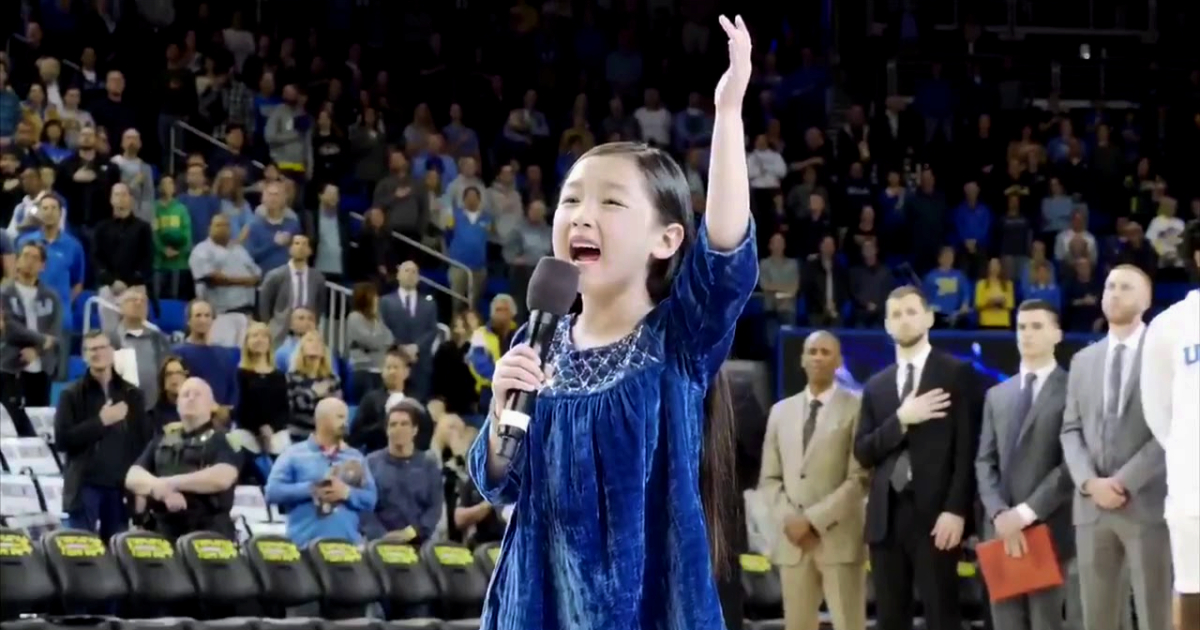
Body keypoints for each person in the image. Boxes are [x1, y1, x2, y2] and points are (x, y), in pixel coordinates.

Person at [467, 16, 755, 630]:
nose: (580, 216)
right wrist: (498, 418)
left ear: (666, 238)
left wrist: (728, 117)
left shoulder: (680, 337)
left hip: (647, 606)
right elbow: (499, 483)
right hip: (534, 603)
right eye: (571, 199)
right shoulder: (534, 341)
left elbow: (727, 253)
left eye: (610, 202)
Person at [852, 285, 975, 630]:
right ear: (888, 326)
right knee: (890, 618)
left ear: (929, 318)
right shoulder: (876, 386)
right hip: (886, 519)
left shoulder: (955, 373)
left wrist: (956, 510)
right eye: (896, 315)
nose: (904, 320)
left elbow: (966, 450)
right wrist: (902, 420)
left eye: (911, 312)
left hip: (937, 517)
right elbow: (863, 451)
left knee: (942, 615)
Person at [1060, 265, 1171, 630]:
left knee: (1156, 613)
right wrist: (1090, 483)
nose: (1114, 293)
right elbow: (1070, 430)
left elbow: (1170, 428)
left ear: (1146, 300)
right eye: (1109, 286)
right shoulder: (1082, 360)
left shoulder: (1163, 354)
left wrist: (1122, 482)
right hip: (1091, 507)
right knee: (1098, 618)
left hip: (1146, 502)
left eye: (1125, 286)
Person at [758, 331, 868, 630]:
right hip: (793, 543)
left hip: (839, 540)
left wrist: (812, 520)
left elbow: (859, 478)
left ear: (839, 361)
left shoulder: (857, 408)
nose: (818, 357)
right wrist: (791, 519)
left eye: (825, 352)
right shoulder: (780, 412)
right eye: (812, 351)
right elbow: (768, 479)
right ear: (802, 359)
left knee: (850, 624)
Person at [976, 300, 1074, 630]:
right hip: (1000, 532)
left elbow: (1069, 464)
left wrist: (1025, 513)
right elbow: (984, 462)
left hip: (1049, 529)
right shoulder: (996, 395)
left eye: (1036, 327)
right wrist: (1000, 514)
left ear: (1057, 334)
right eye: (1021, 327)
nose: (1027, 334)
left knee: (1046, 624)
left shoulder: (1072, 389)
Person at [1139, 270, 1199, 630]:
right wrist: (1187, 453)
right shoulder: (1172, 324)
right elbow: (1157, 410)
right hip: (1193, 494)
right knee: (1191, 595)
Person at [53, 330, 152, 541]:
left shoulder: (132, 394)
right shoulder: (70, 394)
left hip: (120, 487)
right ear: (84, 356)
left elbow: (143, 444)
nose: (98, 353)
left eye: (102, 347)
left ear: (112, 351)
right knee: (81, 552)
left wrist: (141, 489)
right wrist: (101, 422)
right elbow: (62, 441)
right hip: (84, 486)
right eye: (92, 349)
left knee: (118, 554)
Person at [124, 377, 241, 539]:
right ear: (177, 404)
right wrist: (161, 491)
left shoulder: (223, 440)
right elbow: (133, 475)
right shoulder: (163, 439)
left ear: (212, 405)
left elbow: (222, 477)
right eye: (185, 394)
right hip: (163, 534)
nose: (191, 398)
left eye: (197, 395)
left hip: (208, 536)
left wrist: (171, 483)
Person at [265, 397, 377, 547]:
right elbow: (272, 492)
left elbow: (371, 499)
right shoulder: (293, 454)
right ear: (322, 419)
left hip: (347, 548)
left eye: (346, 417)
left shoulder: (355, 457)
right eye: (340, 417)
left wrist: (347, 493)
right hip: (304, 546)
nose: (346, 422)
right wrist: (312, 489)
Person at [360, 403, 443, 543]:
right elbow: (364, 507)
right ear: (387, 430)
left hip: (420, 542)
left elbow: (435, 507)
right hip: (378, 544)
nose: (398, 429)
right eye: (393, 425)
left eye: (404, 424)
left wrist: (412, 533)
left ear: (415, 430)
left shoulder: (429, 464)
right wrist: (382, 536)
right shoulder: (370, 463)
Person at [0, 242, 62, 409]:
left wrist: (36, 351)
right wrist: (42, 340)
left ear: (43, 266)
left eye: (35, 258)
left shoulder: (51, 297)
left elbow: (55, 332)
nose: (30, 261)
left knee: (39, 422)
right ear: (17, 260)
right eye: (26, 256)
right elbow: (10, 328)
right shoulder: (4, 293)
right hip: (10, 367)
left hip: (42, 368)